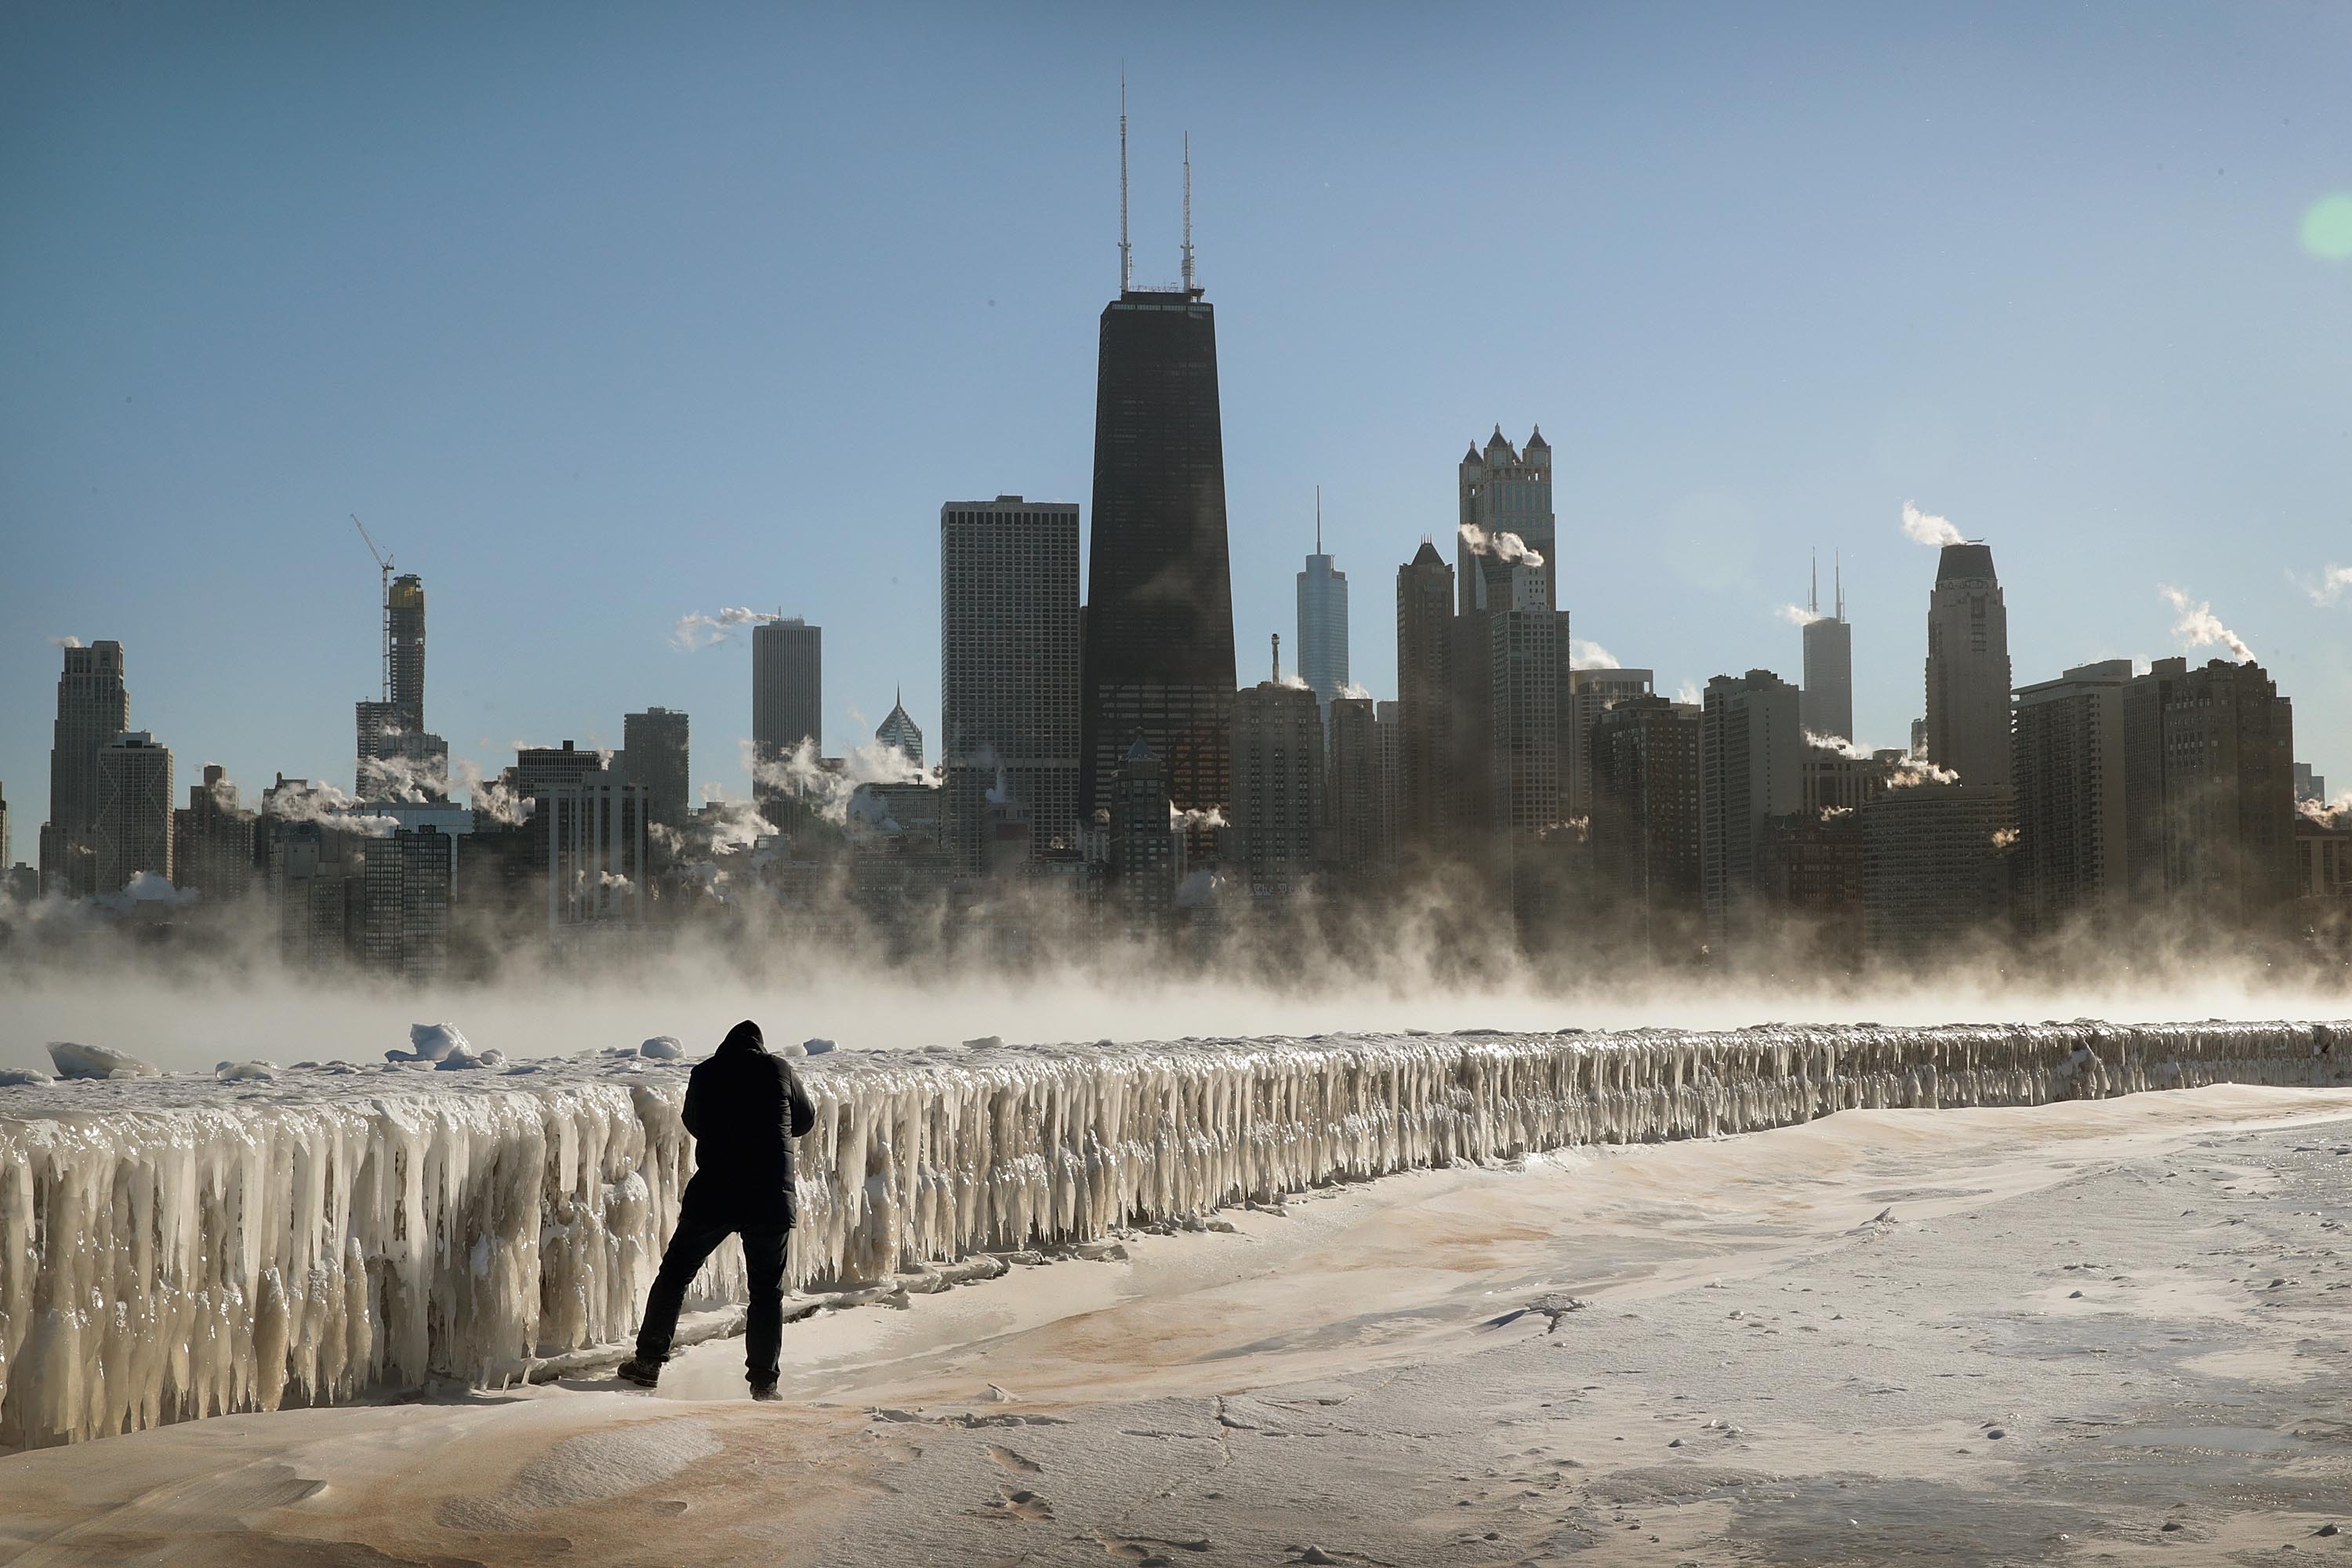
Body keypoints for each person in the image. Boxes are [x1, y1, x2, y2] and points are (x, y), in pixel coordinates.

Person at [618, 1018, 816, 1400]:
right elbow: (804, 1120)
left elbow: (693, 1122)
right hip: (770, 1196)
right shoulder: (780, 1069)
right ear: (760, 1045)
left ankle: (647, 1364)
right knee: (766, 1290)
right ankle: (764, 1383)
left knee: (675, 1274)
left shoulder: (705, 1072)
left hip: (717, 1191)